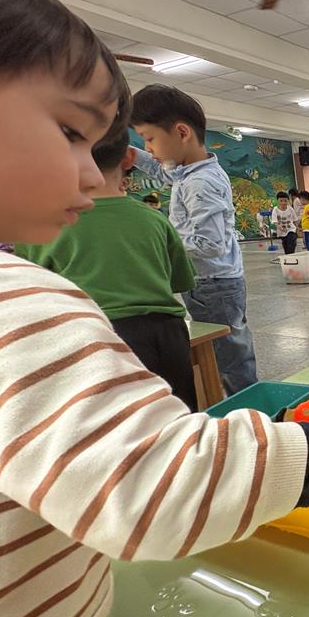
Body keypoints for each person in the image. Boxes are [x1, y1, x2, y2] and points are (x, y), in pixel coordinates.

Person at [0, 0, 309, 617]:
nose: (92, 172)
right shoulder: (17, 301)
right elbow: (157, 488)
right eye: (69, 132)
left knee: (231, 359)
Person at [15, 129, 200, 411]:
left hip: (92, 338)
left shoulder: (42, 226)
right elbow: (180, 280)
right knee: (179, 419)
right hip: (166, 335)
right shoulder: (155, 220)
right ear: (128, 157)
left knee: (112, 423)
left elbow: (30, 299)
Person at [129, 84, 259, 394]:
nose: (148, 148)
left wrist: (164, 244)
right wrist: (133, 155)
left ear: (181, 132)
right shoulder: (189, 172)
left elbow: (210, 244)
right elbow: (164, 173)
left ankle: (249, 407)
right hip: (212, 282)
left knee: (230, 360)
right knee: (229, 353)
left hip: (213, 285)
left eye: (149, 139)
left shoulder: (199, 183)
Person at [272, 190, 298, 254]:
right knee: (285, 245)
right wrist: (279, 227)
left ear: (288, 201)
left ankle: (291, 255)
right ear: (278, 201)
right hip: (282, 232)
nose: (283, 203)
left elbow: (295, 220)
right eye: (281, 201)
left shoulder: (290, 209)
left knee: (291, 243)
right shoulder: (275, 210)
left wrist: (297, 229)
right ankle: (288, 256)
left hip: (291, 229)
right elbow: (275, 221)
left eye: (285, 201)